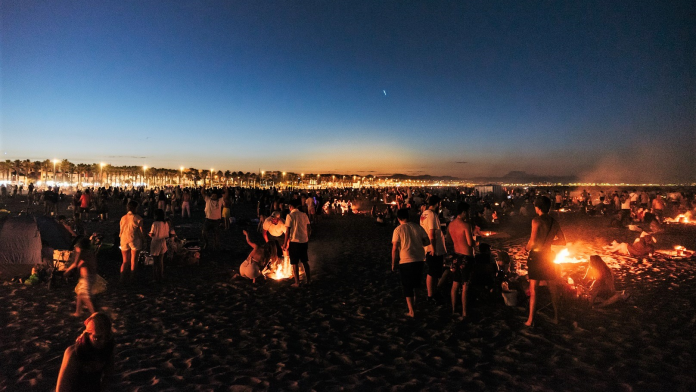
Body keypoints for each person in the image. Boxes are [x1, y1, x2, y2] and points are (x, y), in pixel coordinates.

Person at [525, 196, 566, 327]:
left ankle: (530, 320)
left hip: (536, 257)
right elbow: (563, 241)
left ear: (538, 207)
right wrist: (549, 242)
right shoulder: (554, 222)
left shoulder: (536, 220)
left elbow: (532, 241)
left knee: (534, 289)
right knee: (553, 289)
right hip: (548, 256)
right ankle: (557, 317)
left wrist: (526, 248)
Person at [56, 312, 115, 392]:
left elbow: (107, 379)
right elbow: (62, 389)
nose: (103, 341)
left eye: (107, 336)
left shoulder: (107, 348)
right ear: (87, 335)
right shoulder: (74, 353)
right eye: (97, 338)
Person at [392, 208, 430, 317]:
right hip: (419, 259)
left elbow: (394, 248)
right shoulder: (417, 227)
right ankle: (416, 305)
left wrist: (393, 263)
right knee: (416, 284)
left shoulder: (398, 230)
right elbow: (427, 241)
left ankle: (411, 310)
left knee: (407, 286)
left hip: (406, 260)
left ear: (398, 218)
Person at [446, 202, 475, 317]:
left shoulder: (451, 225)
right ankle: (464, 312)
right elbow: (470, 243)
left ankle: (453, 309)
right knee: (465, 286)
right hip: (466, 257)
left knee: (454, 285)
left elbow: (448, 240)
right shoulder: (466, 225)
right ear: (463, 212)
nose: (469, 214)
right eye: (468, 212)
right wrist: (476, 241)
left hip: (455, 256)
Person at [420, 195, 447, 304]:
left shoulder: (424, 214)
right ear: (437, 203)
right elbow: (432, 233)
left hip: (427, 246)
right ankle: (431, 295)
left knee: (434, 271)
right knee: (432, 272)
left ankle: (433, 293)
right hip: (433, 248)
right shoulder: (432, 215)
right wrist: (434, 249)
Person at [64, 237, 98, 317]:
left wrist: (67, 271)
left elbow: (75, 264)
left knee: (85, 296)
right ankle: (78, 312)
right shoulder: (90, 253)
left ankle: (94, 314)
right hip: (92, 276)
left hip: (86, 277)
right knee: (80, 294)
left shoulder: (82, 252)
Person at [283, 198, 311, 287]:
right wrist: (307, 237)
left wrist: (284, 244)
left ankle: (297, 282)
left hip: (294, 242)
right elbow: (309, 228)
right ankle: (309, 280)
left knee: (294, 263)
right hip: (304, 241)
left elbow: (287, 231)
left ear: (291, 207)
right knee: (305, 261)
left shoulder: (290, 216)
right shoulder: (304, 215)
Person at [119, 200, 144, 284]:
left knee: (125, 261)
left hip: (123, 239)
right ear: (135, 208)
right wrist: (144, 240)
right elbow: (141, 232)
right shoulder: (138, 218)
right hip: (134, 239)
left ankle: (122, 278)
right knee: (134, 260)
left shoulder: (123, 218)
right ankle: (132, 278)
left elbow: (121, 230)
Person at [149, 209, 169, 281]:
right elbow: (167, 234)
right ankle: (161, 276)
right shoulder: (165, 223)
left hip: (155, 242)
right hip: (163, 242)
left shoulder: (155, 224)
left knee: (155, 261)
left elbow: (152, 234)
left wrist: (149, 234)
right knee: (161, 261)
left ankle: (155, 277)